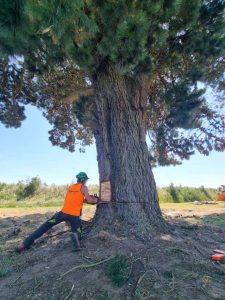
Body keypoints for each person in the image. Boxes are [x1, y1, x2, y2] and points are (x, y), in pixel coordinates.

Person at [15, 172, 98, 253]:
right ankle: (76, 237)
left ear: (78, 179)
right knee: (78, 230)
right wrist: (96, 200)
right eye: (86, 180)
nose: (86, 181)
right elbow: (90, 200)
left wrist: (85, 200)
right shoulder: (84, 187)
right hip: (74, 216)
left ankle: (24, 244)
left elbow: (76, 199)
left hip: (62, 214)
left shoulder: (71, 187)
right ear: (83, 180)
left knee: (45, 226)